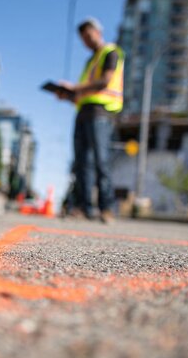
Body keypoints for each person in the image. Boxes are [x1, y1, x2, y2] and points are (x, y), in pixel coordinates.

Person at [56, 18, 124, 224]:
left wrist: (75, 88)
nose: (86, 40)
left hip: (101, 113)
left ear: (97, 31)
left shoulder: (111, 52)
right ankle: (84, 207)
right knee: (81, 163)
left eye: (88, 35)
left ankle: (107, 208)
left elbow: (104, 82)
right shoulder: (90, 61)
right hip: (83, 113)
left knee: (101, 160)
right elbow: (84, 93)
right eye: (83, 38)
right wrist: (68, 95)